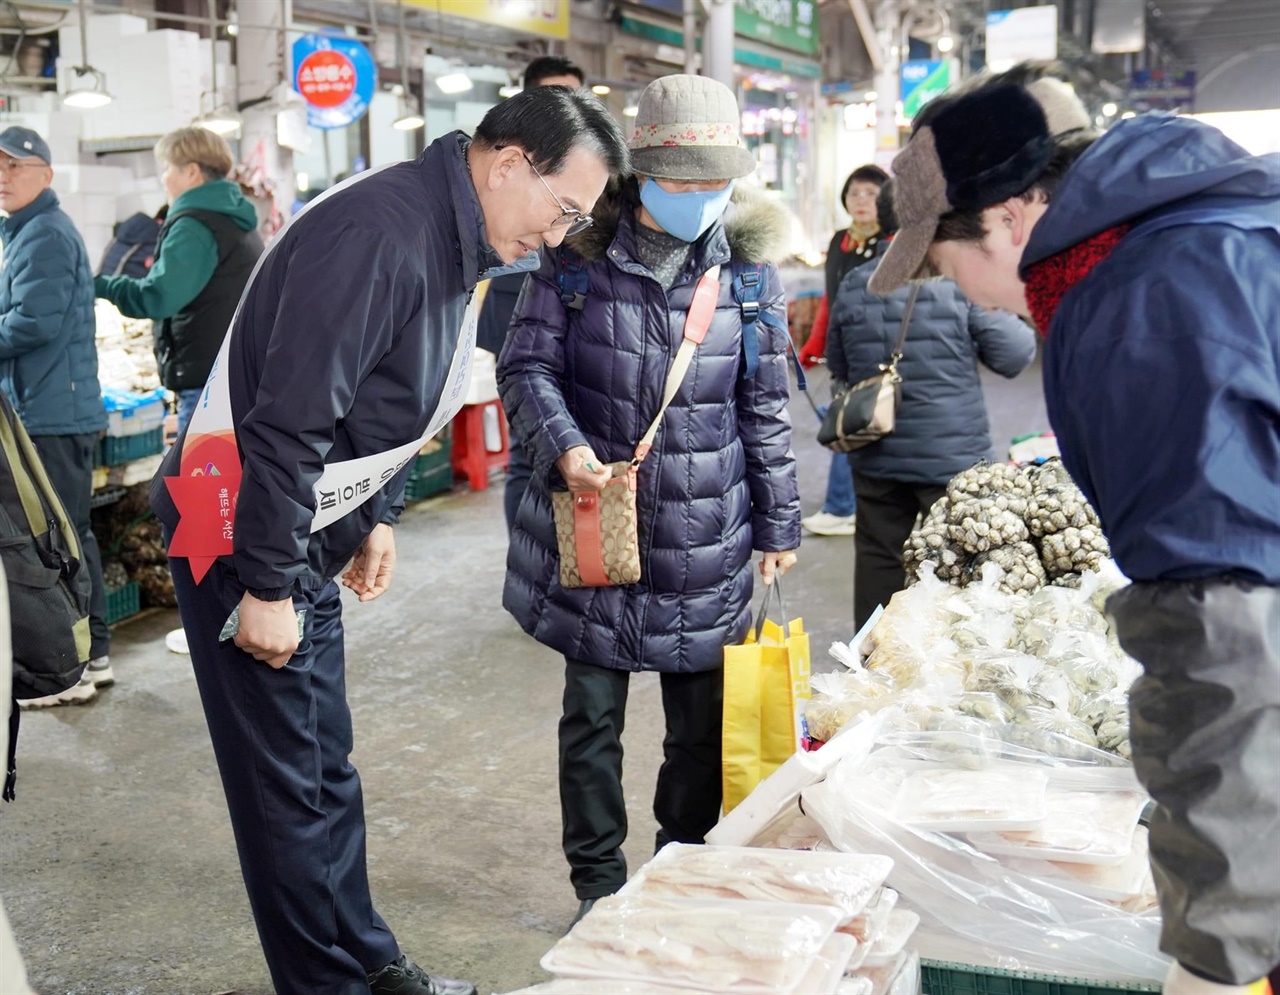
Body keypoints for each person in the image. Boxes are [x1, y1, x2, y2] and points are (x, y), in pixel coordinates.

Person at [150, 86, 628, 995]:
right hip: (242, 532)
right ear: (509, 164)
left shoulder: (452, 236)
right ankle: (324, 983)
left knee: (325, 766)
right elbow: (288, 423)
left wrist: (375, 518)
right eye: (563, 208)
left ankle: (365, 957)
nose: (561, 235)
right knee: (285, 785)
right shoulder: (382, 234)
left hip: (308, 529)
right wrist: (268, 587)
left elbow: (403, 392)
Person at [869, 62, 1280, 995]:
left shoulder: (1142, 309)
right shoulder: (1201, 234)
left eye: (946, 257)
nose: (959, 291)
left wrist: (1219, 946)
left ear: (1013, 216)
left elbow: (1221, 631)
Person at [498, 74, 801, 927]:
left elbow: (764, 408)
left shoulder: (750, 275)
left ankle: (679, 871)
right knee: (590, 719)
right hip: (601, 526)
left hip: (707, 535)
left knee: (698, 730)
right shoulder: (573, 259)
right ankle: (597, 884)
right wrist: (567, 449)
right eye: (686, 183)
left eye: (718, 185)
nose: (703, 200)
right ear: (643, 174)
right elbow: (525, 368)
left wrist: (779, 522)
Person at [828, 181, 1035, 629]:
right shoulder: (959, 278)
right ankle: (955, 678)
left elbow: (840, 364)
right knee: (967, 566)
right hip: (953, 460)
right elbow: (1015, 355)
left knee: (880, 563)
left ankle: (873, 669)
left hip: (877, 448)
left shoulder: (855, 282)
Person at [0, 126, 110, 709]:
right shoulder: (24, 231)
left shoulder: (43, 233)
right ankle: (89, 653)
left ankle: (77, 662)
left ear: (45, 172)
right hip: (44, 406)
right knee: (67, 531)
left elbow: (31, 324)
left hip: (53, 412)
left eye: (14, 165)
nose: (2, 175)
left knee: (58, 537)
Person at [474, 55, 587, 532]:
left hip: (582, 322)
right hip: (517, 317)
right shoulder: (508, 166)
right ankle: (526, 557)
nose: (568, 111)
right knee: (527, 447)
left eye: (575, 98)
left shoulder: (590, 169)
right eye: (554, 98)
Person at [95, 127, 263, 437]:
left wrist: (101, 285)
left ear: (191, 173)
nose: (163, 178)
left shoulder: (194, 226)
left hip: (206, 384)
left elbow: (159, 296)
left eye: (167, 168)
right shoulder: (233, 218)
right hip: (233, 374)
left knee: (202, 482)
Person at [799, 164, 889, 538]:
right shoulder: (840, 241)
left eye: (871, 193)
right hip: (844, 349)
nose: (862, 200)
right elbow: (830, 301)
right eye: (855, 193)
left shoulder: (894, 240)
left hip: (878, 347)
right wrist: (813, 347)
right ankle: (857, 505)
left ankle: (841, 507)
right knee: (853, 424)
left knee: (849, 424)